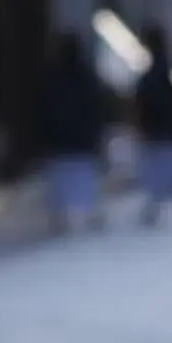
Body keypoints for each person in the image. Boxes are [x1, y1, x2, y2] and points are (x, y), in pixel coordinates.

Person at [35, 31, 107, 233]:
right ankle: (89, 212)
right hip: (82, 140)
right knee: (84, 179)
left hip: (59, 141)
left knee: (60, 182)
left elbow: (45, 109)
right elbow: (95, 109)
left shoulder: (52, 77)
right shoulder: (86, 77)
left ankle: (60, 217)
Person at [132, 26, 172, 226]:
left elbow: (144, 102)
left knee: (158, 170)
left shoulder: (151, 75)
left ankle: (157, 205)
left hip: (158, 129)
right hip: (168, 129)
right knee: (171, 169)